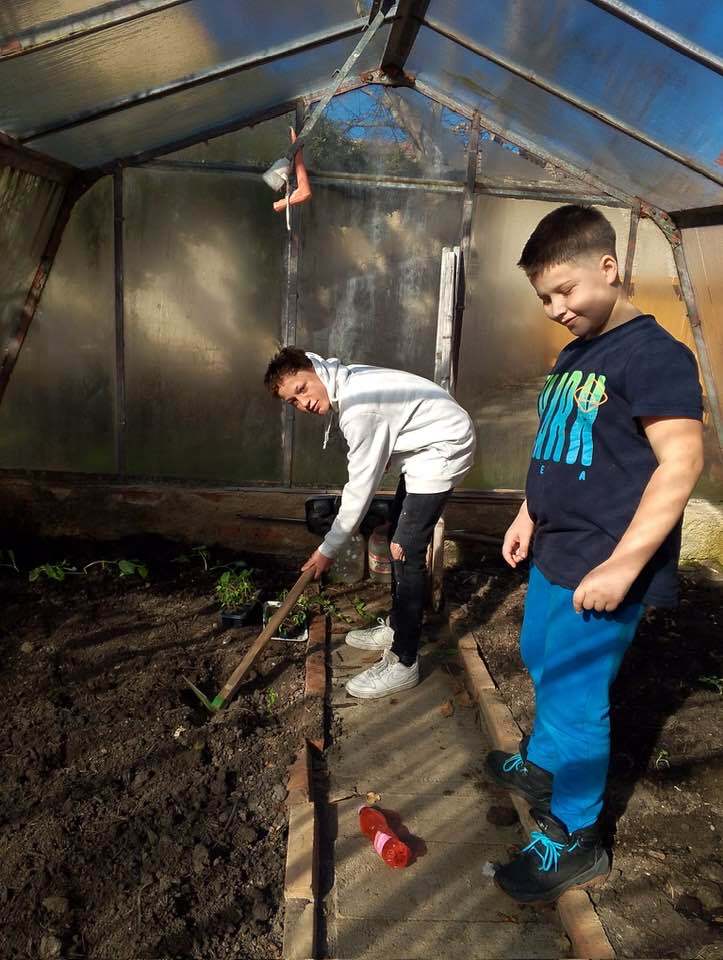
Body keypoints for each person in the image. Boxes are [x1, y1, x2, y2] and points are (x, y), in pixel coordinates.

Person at [486, 205, 704, 903]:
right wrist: (527, 512)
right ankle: (542, 765)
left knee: (576, 696)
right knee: (538, 656)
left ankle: (574, 835)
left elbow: (680, 463)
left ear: (608, 268)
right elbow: (558, 442)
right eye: (543, 298)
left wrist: (623, 566)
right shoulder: (576, 353)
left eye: (565, 290)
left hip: (606, 558)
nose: (555, 309)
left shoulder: (655, 356)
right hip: (557, 546)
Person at [264, 347, 475, 698]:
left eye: (302, 389)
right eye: (293, 402)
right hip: (425, 445)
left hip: (443, 449)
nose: (303, 403)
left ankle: (404, 661)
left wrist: (328, 549)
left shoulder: (359, 408)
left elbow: (360, 490)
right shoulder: (345, 383)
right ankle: (397, 625)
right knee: (396, 537)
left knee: (405, 550)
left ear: (315, 369)